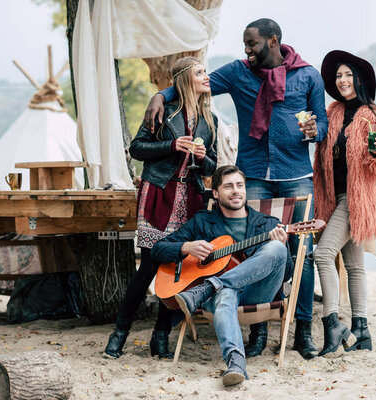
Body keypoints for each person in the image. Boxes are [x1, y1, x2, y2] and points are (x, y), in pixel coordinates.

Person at [143, 18, 327, 360]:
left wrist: (316, 129)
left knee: (303, 253)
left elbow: (323, 123)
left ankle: (302, 330)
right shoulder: (238, 72)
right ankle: (258, 329)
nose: (246, 50)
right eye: (245, 44)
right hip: (254, 175)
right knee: (254, 249)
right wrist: (161, 94)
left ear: (272, 41)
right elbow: (198, 83)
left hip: (297, 175)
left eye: (252, 44)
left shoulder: (308, 75)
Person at [103, 57, 218, 359]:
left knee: (177, 269)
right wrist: (171, 146)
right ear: (184, 79)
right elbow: (136, 148)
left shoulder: (209, 120)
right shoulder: (163, 110)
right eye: (200, 72)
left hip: (191, 199)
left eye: (205, 71)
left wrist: (204, 158)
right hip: (159, 195)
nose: (206, 76)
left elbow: (213, 165)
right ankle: (119, 333)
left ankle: (160, 336)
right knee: (149, 268)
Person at [150, 165, 292, 386]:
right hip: (221, 297)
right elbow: (158, 249)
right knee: (225, 292)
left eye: (240, 185)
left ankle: (209, 286)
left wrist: (282, 245)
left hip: (256, 293)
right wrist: (186, 247)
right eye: (228, 186)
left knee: (277, 249)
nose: (236, 191)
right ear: (215, 193)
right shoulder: (202, 221)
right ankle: (236, 363)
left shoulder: (268, 224)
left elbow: (287, 273)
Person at [312, 50, 376, 356]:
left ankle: (332, 323)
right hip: (335, 197)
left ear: (359, 80)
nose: (343, 80)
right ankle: (361, 331)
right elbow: (322, 147)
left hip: (356, 199)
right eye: (339, 75)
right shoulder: (332, 112)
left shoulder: (375, 116)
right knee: (354, 266)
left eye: (348, 75)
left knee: (322, 255)